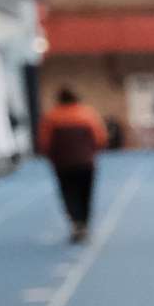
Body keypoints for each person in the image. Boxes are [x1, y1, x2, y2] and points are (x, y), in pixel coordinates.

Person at [36, 88, 107, 243]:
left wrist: (50, 156)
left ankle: (75, 222)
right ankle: (84, 222)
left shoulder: (51, 117)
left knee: (68, 193)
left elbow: (44, 142)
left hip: (63, 163)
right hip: (86, 162)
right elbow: (100, 138)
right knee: (85, 194)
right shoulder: (88, 114)